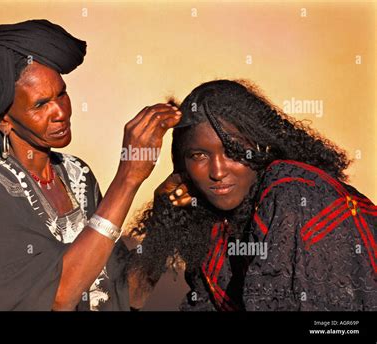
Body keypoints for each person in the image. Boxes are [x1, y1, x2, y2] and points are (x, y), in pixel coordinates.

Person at [0, 19, 182, 311]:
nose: (60, 113)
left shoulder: (77, 175)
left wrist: (165, 215)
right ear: (3, 120)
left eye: (62, 94)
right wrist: (128, 179)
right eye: (40, 105)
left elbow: (124, 293)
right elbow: (60, 295)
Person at [127, 79, 377, 311]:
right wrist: (163, 214)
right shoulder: (213, 221)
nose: (217, 171)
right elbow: (128, 299)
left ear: (260, 146)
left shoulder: (293, 192)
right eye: (199, 156)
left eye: (233, 150)